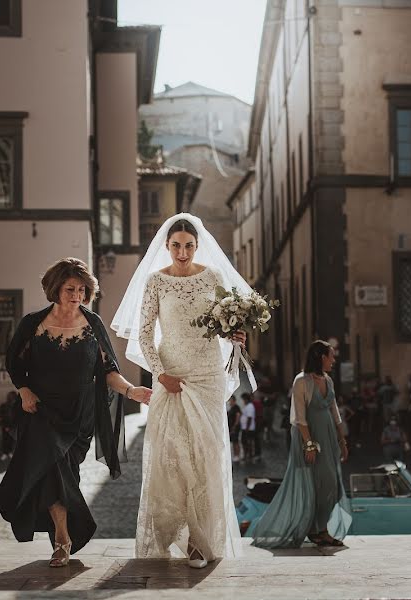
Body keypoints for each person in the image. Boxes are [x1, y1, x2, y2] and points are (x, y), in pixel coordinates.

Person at [112, 215, 251, 567]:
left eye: (189, 245)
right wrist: (160, 375)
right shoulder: (156, 282)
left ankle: (200, 541)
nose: (183, 251)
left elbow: (222, 326)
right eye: (176, 245)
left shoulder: (213, 277)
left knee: (206, 456)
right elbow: (143, 335)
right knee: (172, 458)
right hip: (171, 376)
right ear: (167, 246)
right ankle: (176, 533)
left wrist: (234, 335)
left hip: (207, 375)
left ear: (197, 246)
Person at [0, 257, 151, 568]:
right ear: (55, 289)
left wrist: (131, 390)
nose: (77, 295)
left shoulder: (92, 325)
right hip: (40, 410)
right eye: (70, 289)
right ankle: (63, 540)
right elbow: (14, 363)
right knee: (54, 468)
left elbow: (108, 369)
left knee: (66, 472)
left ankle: (64, 536)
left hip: (80, 415)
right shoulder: (33, 324)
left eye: (82, 289)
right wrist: (23, 390)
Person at [250, 340, 351, 548]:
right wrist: (309, 445)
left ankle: (319, 529)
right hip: (310, 438)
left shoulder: (328, 380)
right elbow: (299, 417)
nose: (334, 360)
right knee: (315, 486)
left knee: (333, 488)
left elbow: (335, 413)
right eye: (331, 356)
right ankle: (318, 531)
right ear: (321, 357)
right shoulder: (301, 381)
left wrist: (342, 440)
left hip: (329, 437)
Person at [240, 394, 257, 464]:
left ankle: (249, 456)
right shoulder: (247, 406)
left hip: (249, 429)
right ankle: (246, 455)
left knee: (248, 442)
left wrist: (247, 428)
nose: (243, 401)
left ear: (246, 399)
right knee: (244, 442)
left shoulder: (250, 406)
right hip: (245, 428)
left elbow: (249, 418)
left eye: (243, 400)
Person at [227, 396, 242, 462]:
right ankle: (235, 455)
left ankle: (237, 455)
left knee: (236, 441)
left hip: (235, 428)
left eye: (230, 400)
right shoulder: (231, 408)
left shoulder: (236, 407)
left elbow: (238, 416)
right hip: (232, 428)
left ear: (234, 401)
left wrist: (234, 426)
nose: (229, 402)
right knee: (233, 441)